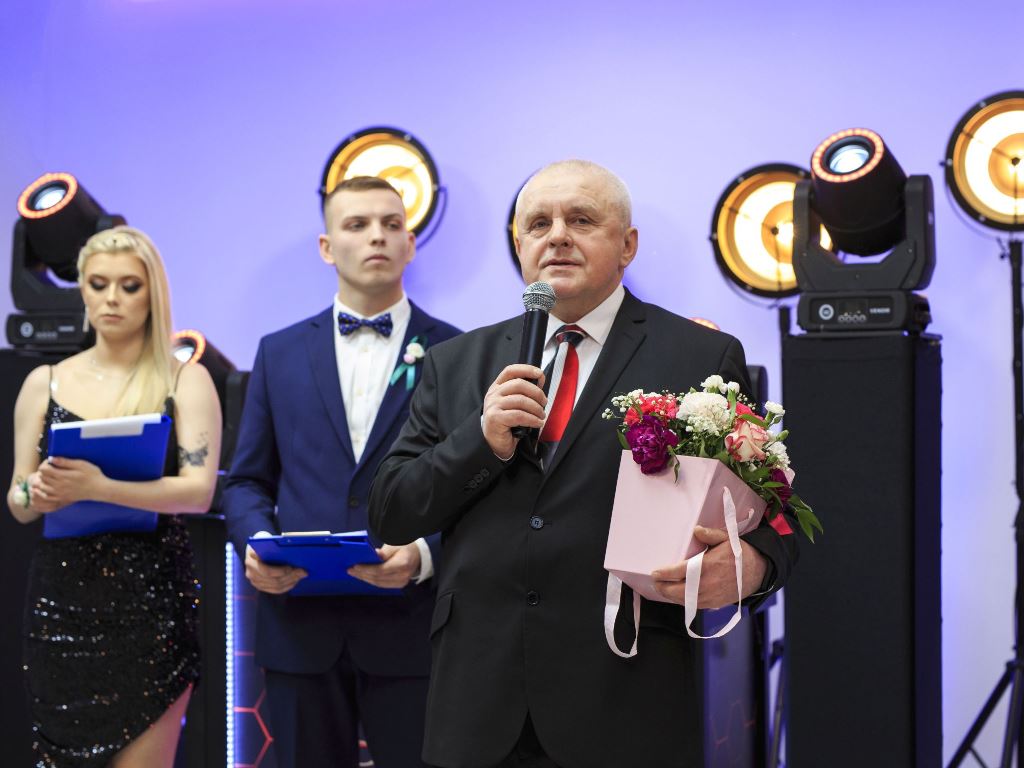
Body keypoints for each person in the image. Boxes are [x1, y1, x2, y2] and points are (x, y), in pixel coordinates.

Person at [369, 159, 800, 768]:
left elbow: (779, 513)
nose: (557, 237)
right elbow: (390, 511)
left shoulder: (699, 355)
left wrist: (754, 566)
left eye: (581, 220)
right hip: (478, 706)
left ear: (628, 245)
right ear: (519, 246)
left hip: (625, 695)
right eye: (538, 224)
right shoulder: (456, 361)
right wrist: (481, 441)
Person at [223, 175, 461, 768]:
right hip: (300, 624)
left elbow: (473, 486)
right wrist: (257, 544)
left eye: (391, 224)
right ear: (328, 247)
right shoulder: (277, 352)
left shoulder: (457, 352)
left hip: (412, 627)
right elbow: (247, 480)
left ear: (410, 244)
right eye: (357, 224)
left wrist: (424, 555)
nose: (377, 236)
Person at [6, 225, 222, 768]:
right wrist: (39, 492)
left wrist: (97, 487)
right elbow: (18, 498)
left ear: (153, 293)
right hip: (60, 605)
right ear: (81, 288)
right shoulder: (44, 383)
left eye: (129, 286)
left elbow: (198, 493)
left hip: (152, 605)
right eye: (98, 284)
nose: (112, 299)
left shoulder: (185, 380)